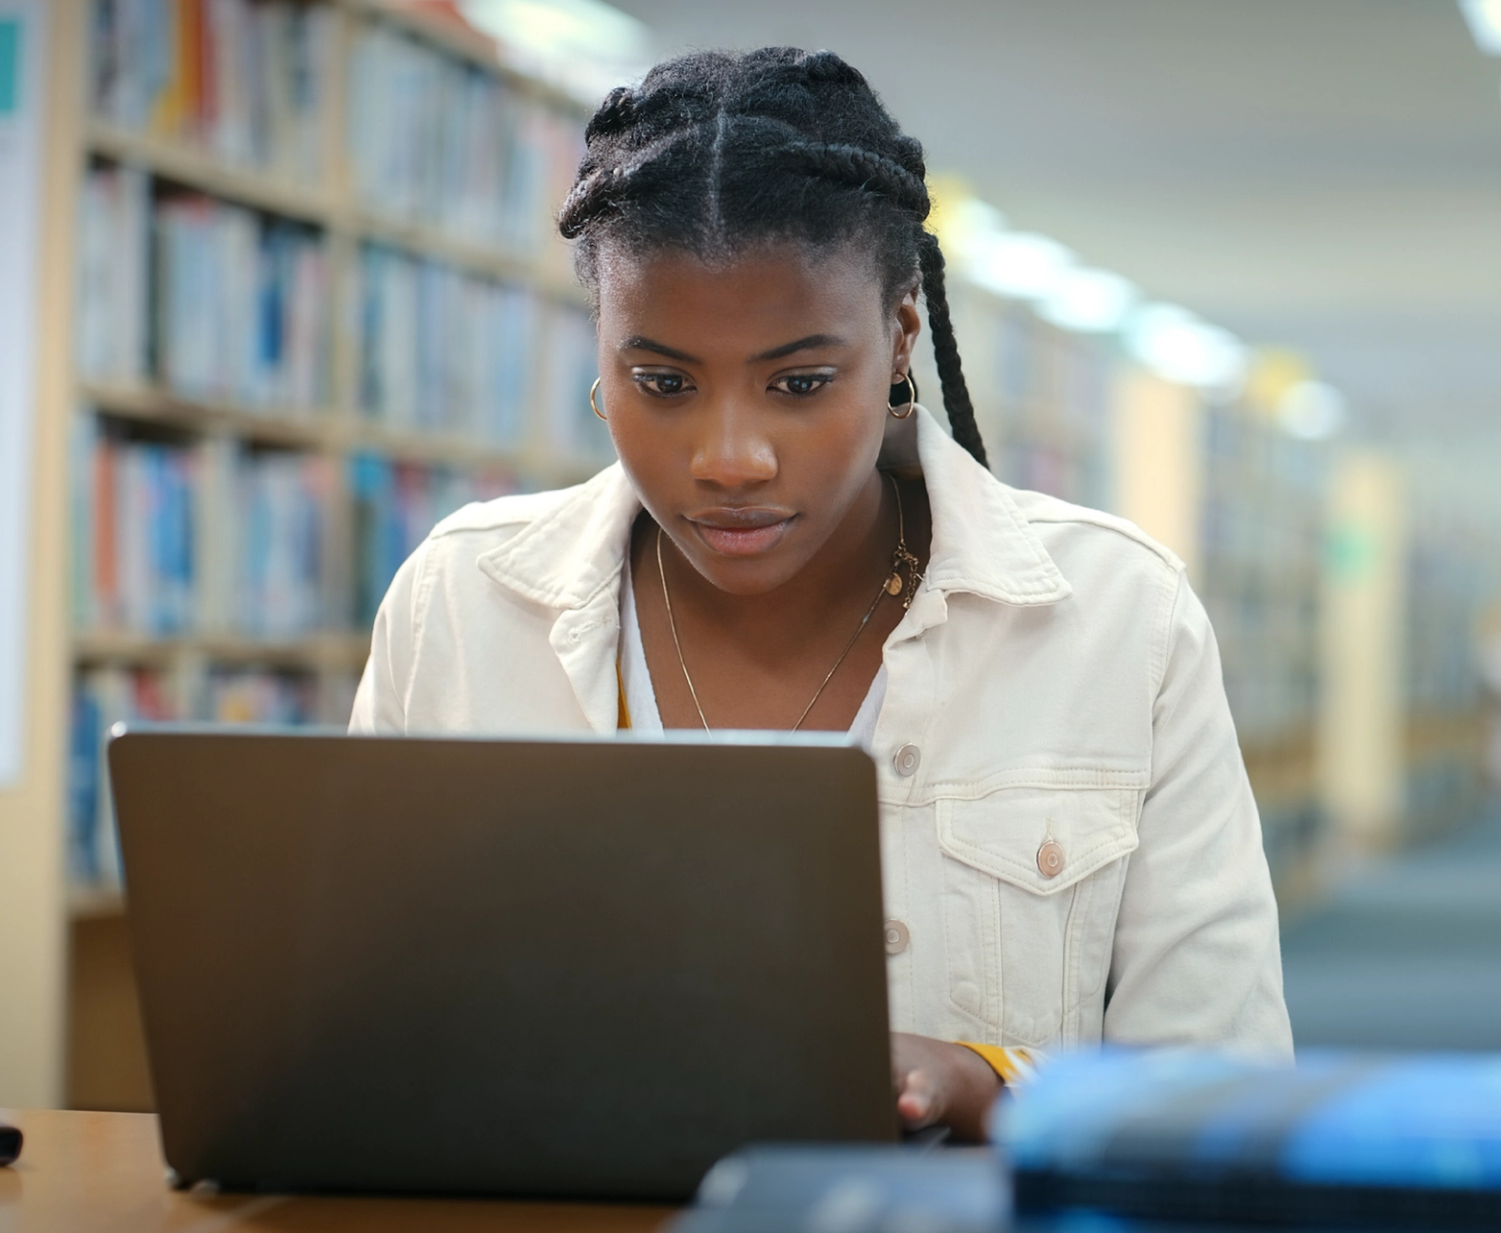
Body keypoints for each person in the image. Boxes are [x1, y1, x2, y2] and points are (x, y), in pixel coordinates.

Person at [350, 48, 1291, 1141]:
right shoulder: (461, 604)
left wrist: (999, 1086)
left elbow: (1229, 1087)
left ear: (898, 338)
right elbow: (365, 1029)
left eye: (799, 384)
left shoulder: (1118, 618)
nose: (731, 458)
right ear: (602, 357)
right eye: (663, 383)